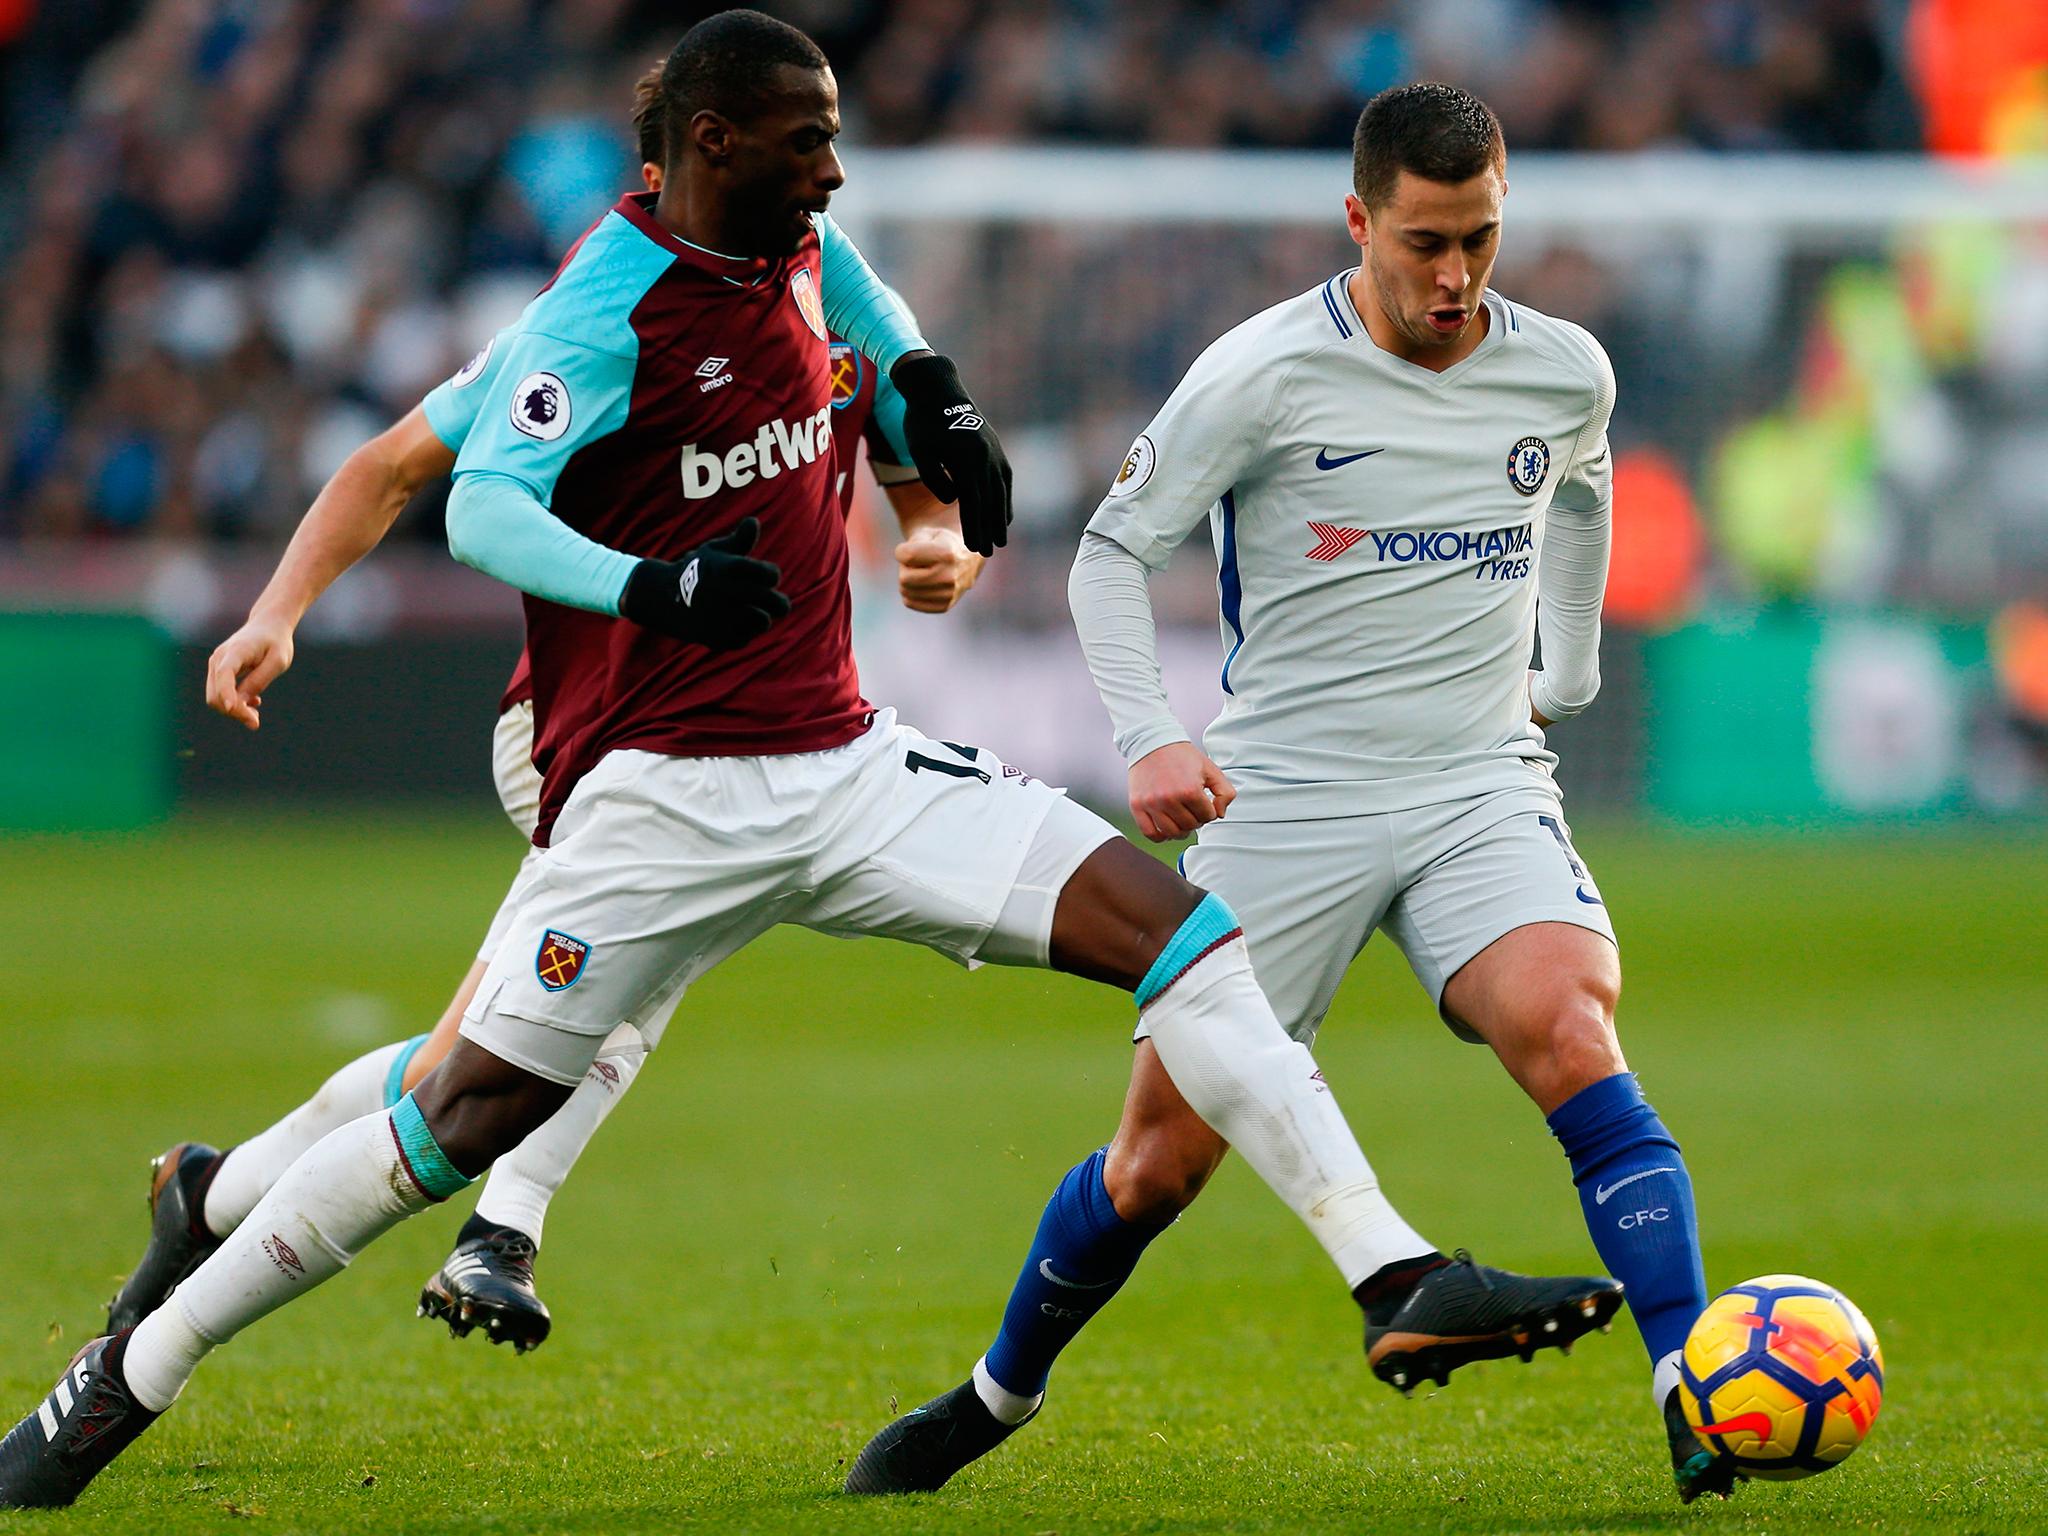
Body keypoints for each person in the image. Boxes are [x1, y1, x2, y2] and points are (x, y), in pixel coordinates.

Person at [0, 17, 1609, 1510]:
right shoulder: (602, 307)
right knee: (456, 1115)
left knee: (1182, 936)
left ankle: (1396, 1276)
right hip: (653, 792)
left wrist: (942, 430)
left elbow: (887, 337)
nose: (836, 168)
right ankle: (133, 1369)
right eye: (807, 140)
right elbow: (478, 500)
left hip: (842, 762)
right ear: (713, 140)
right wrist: (656, 585)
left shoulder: (801, 252)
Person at [848, 82, 1730, 1505]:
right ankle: (992, 1397)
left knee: (1573, 1029)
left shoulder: (1562, 368)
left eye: (1481, 243)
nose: (1455, 279)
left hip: (1474, 788)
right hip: (1288, 802)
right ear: (1358, 220)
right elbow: (1108, 555)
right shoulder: (1260, 374)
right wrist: (1148, 735)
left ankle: (1694, 1393)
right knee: (1157, 1164)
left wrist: (1565, 669)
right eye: (1426, 243)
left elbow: (1579, 491)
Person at [107, 63, 978, 1360]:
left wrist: (938, 530)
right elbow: (399, 462)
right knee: (603, 999)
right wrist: (273, 612)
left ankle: (216, 1196)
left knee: (473, 1053)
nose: (817, 186)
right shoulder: (596, 324)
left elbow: (894, 392)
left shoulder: (790, 269)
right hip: (589, 736)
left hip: (712, 734)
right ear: (689, 160)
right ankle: (496, 1227)